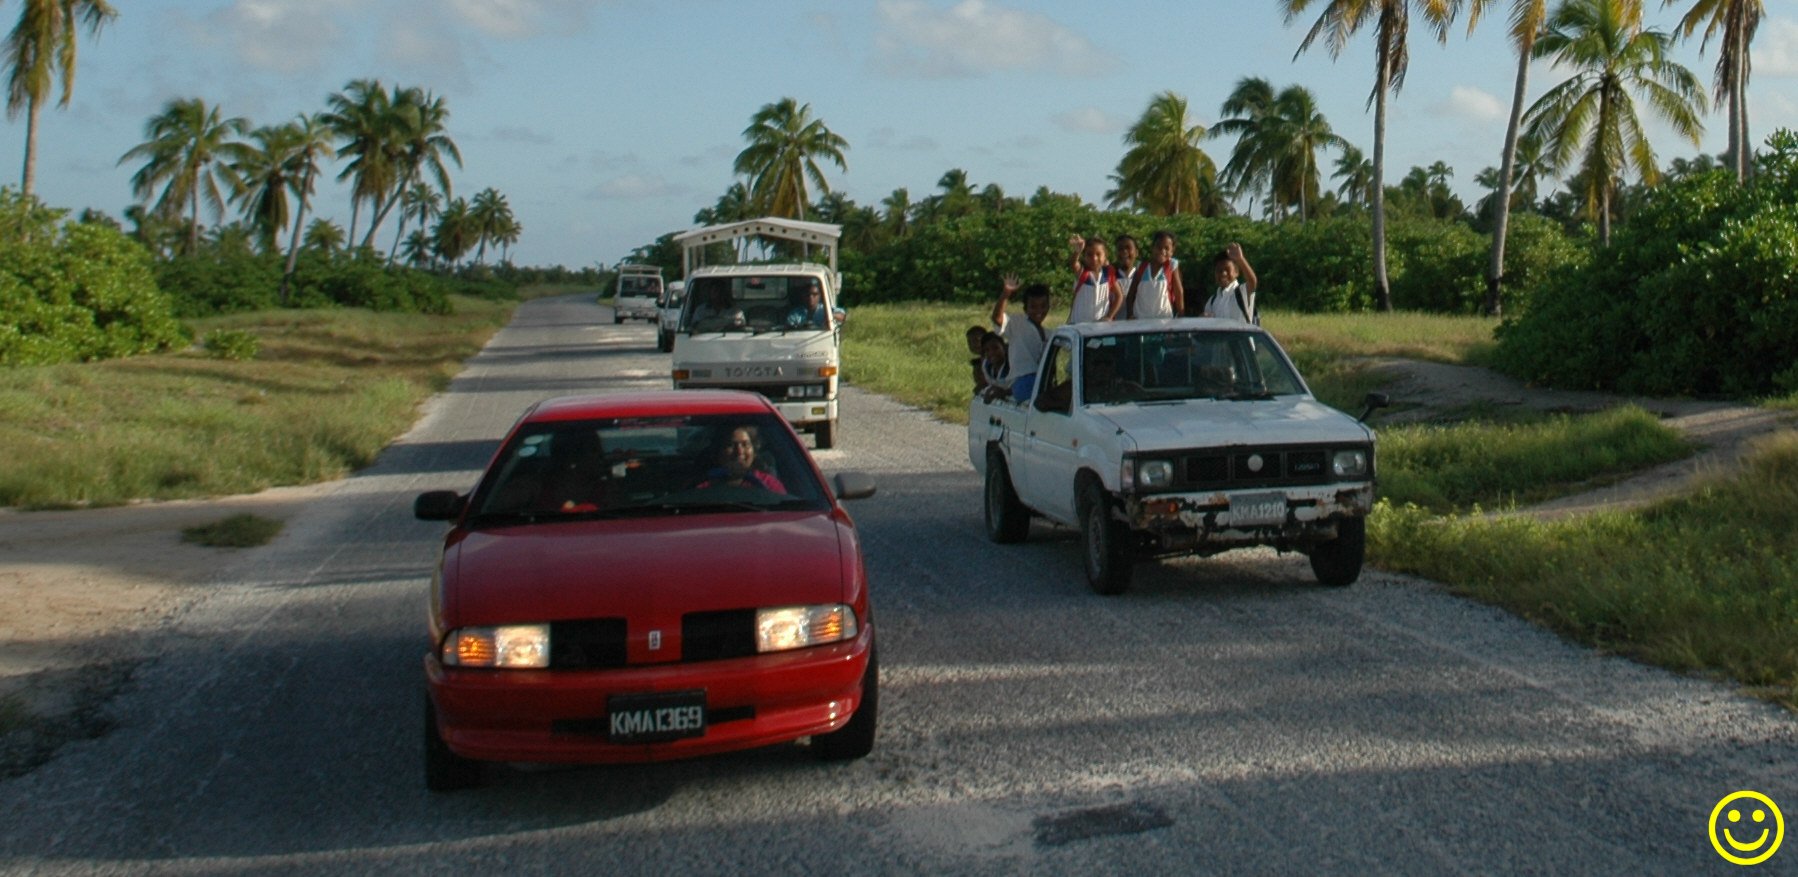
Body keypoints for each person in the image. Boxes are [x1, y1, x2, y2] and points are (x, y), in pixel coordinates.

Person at [989, 273, 1051, 402]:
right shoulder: (1018, 323)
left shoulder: (1049, 333)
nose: (1039, 311)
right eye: (1033, 307)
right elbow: (997, 318)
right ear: (1025, 308)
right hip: (1023, 381)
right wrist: (1006, 294)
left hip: (1041, 382)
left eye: (1043, 306)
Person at [696, 425, 786, 493]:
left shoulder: (769, 485)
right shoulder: (703, 486)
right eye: (731, 445)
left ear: (754, 452)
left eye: (745, 444)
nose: (739, 451)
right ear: (718, 451)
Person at [1123, 230, 1184, 320]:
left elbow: (1179, 293)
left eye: (1167, 248)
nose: (1162, 251)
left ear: (1172, 251)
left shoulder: (1171, 267)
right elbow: (1131, 294)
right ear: (1152, 247)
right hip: (1140, 320)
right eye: (1159, 247)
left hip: (1164, 321)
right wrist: (1130, 314)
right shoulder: (1142, 267)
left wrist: (1181, 315)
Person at [1200, 242, 1259, 324]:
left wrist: (1240, 259)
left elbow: (1252, 281)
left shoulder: (1241, 292)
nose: (1223, 274)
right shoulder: (1212, 301)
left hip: (1240, 337)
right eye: (1219, 271)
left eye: (1227, 269)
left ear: (1236, 272)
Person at [1067, 235, 1122, 323]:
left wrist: (1109, 316)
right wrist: (1077, 251)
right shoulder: (1082, 273)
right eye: (1089, 254)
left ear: (1105, 256)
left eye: (1098, 254)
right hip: (1079, 324)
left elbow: (1119, 296)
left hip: (1101, 327)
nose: (1094, 258)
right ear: (1084, 256)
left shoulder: (1108, 274)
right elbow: (1073, 264)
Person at [977, 330, 1010, 396]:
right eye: (987, 350)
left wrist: (1004, 392)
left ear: (1003, 347)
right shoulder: (986, 366)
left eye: (996, 348)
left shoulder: (1012, 365)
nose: (991, 353)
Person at [965, 324, 989, 392]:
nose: (973, 344)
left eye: (976, 340)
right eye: (969, 342)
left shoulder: (992, 359)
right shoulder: (979, 362)